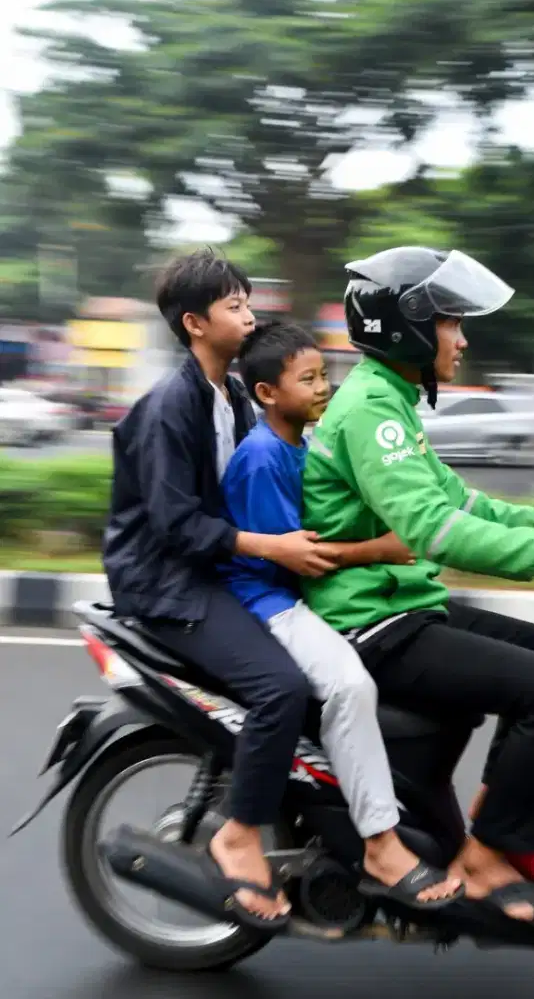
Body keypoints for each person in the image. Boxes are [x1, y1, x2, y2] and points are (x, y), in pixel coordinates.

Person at [301, 246, 534, 930]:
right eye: (451, 322)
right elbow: (433, 528)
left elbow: (459, 499)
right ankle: (483, 866)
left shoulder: (389, 399)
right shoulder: (372, 410)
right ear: (410, 326)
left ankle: (487, 828)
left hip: (400, 603)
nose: (463, 337)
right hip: (371, 622)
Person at [103, 249, 342, 932]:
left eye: (248, 301)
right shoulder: (169, 408)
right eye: (234, 306)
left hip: (215, 571)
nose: (250, 314)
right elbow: (177, 526)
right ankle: (239, 834)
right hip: (168, 583)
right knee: (281, 688)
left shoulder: (235, 396)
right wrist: (274, 548)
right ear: (195, 323)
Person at [216, 319, 462, 910]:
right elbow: (298, 556)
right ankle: (381, 840)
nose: (324, 388)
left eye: (324, 374)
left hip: (296, 595)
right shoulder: (263, 457)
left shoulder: (301, 443)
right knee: (350, 685)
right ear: (267, 394)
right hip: (269, 601)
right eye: (307, 379)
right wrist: (380, 550)